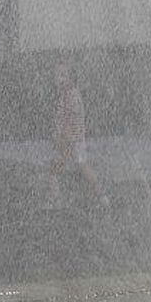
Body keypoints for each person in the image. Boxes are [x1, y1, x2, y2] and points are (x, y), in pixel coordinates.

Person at [47, 59, 109, 207]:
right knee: (81, 165)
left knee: (55, 170)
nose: (59, 79)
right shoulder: (68, 94)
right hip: (74, 140)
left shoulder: (70, 96)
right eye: (56, 75)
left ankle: (55, 200)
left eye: (63, 75)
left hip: (70, 140)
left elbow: (71, 119)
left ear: (71, 78)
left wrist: (63, 138)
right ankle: (101, 196)